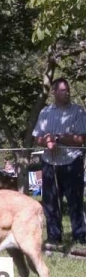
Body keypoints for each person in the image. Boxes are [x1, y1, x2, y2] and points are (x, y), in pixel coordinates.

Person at [32, 78, 86, 244]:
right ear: (53, 92)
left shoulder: (78, 111)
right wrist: (46, 141)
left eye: (67, 90)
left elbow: (82, 138)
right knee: (50, 202)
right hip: (49, 163)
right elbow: (37, 138)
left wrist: (59, 138)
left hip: (72, 162)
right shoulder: (45, 113)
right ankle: (54, 237)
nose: (67, 93)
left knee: (75, 201)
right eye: (62, 90)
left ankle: (80, 236)